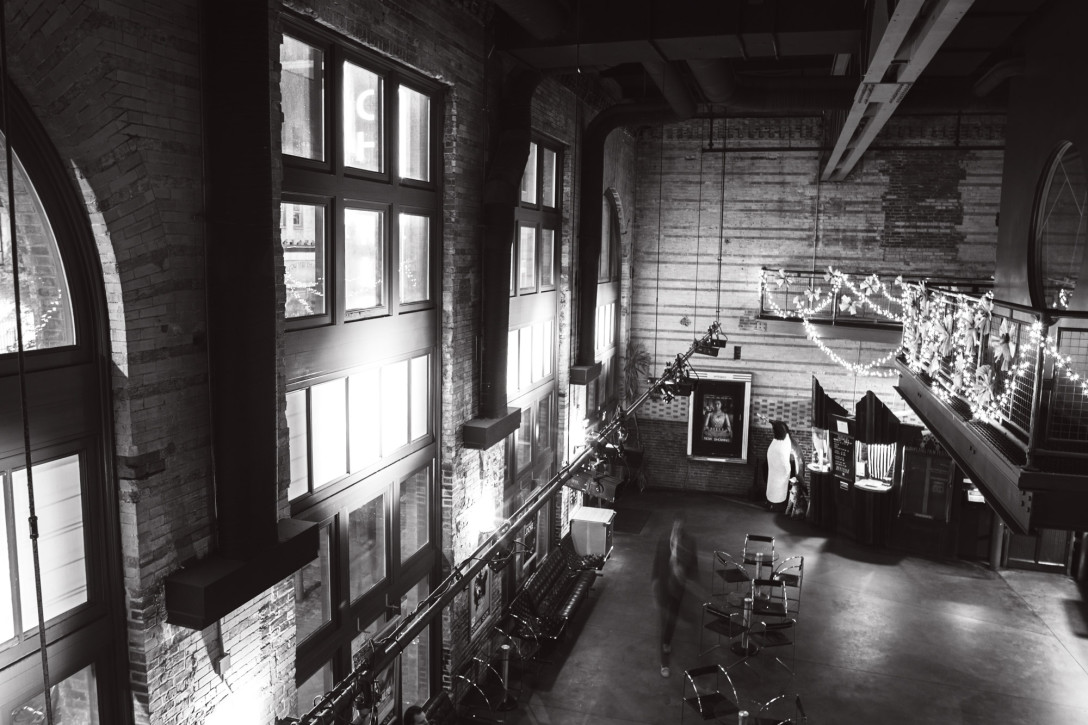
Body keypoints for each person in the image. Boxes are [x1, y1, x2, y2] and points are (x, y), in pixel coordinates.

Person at [651, 512, 699, 678]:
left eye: (680, 525)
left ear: (683, 525)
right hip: (664, 586)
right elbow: (657, 561)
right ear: (673, 524)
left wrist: (690, 577)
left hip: (678, 587)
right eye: (675, 524)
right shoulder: (664, 538)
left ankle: (667, 640)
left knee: (672, 619)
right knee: (665, 621)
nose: (677, 527)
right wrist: (654, 581)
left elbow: (694, 562)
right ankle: (664, 661)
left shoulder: (690, 541)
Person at [766, 420, 802, 513]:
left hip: (777, 472)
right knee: (777, 489)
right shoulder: (783, 442)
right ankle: (777, 506)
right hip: (778, 472)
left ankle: (774, 505)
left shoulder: (778, 443)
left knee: (776, 490)